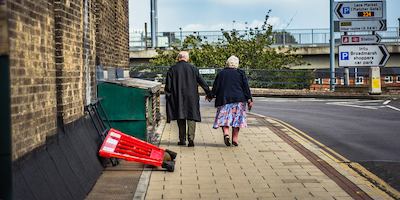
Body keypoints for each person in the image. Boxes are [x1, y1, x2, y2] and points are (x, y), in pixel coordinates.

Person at [165, 51, 211, 147]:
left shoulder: (172, 69)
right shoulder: (193, 68)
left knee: (180, 116)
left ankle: (182, 139)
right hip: (192, 97)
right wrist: (209, 93)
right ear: (187, 58)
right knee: (191, 116)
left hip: (178, 96)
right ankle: (191, 138)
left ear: (178, 58)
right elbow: (202, 82)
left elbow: (168, 87)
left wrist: (169, 97)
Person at [207, 55, 253, 146]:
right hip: (239, 100)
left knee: (225, 119)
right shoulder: (241, 73)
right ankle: (235, 139)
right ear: (237, 64)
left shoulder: (221, 73)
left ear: (227, 63)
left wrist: (210, 95)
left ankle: (226, 134)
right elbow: (245, 87)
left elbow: (216, 87)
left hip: (224, 99)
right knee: (237, 120)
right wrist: (249, 99)